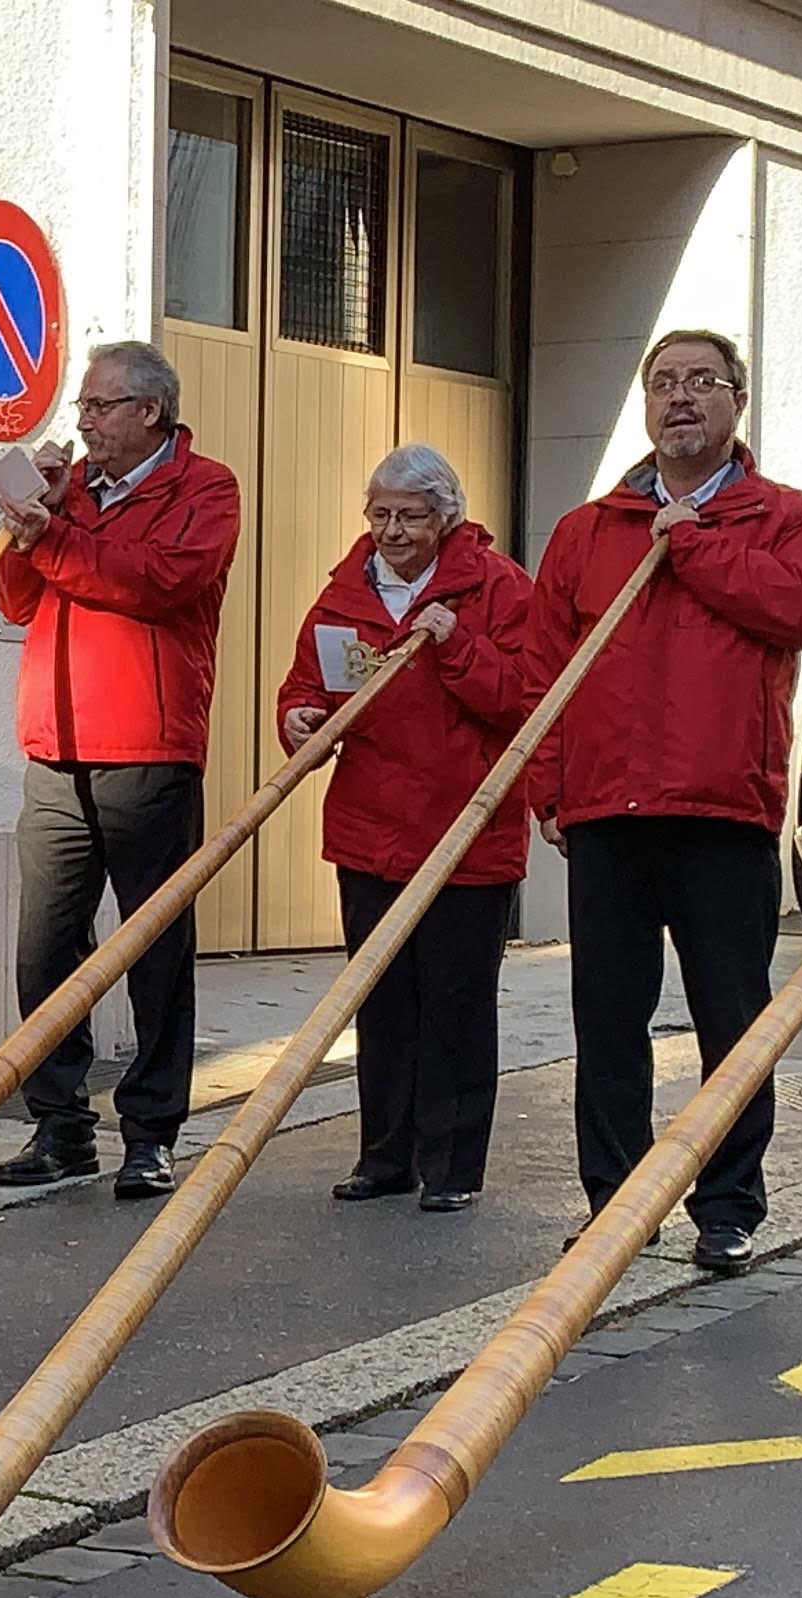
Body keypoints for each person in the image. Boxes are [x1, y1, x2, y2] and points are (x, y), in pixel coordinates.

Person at [526, 329, 802, 1275]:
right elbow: (547, 669)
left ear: (738, 400)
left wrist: (693, 544)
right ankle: (615, 1207)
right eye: (663, 383)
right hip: (608, 811)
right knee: (607, 1023)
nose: (680, 398)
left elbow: (798, 610)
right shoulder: (588, 532)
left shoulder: (794, 518)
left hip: (723, 810)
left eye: (702, 381)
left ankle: (729, 1206)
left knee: (732, 1024)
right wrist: (549, 786)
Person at [0, 341, 244, 1200]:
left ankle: (151, 1132)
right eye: (84, 408)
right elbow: (17, 601)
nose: (85, 422)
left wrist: (54, 535)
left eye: (100, 406)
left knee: (154, 949)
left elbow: (158, 582)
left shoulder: (206, 489)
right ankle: (59, 1126)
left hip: (148, 747)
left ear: (150, 411)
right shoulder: (72, 495)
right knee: (45, 948)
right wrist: (32, 524)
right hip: (54, 744)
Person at [275, 444, 538, 1215]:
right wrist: (298, 718)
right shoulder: (345, 590)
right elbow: (307, 683)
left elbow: (527, 697)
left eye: (410, 517)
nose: (391, 531)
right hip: (370, 828)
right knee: (381, 1000)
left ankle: (452, 1165)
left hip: (467, 832)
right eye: (380, 514)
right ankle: (385, 1156)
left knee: (457, 1003)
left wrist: (456, 644)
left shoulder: (499, 588)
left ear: (445, 518)